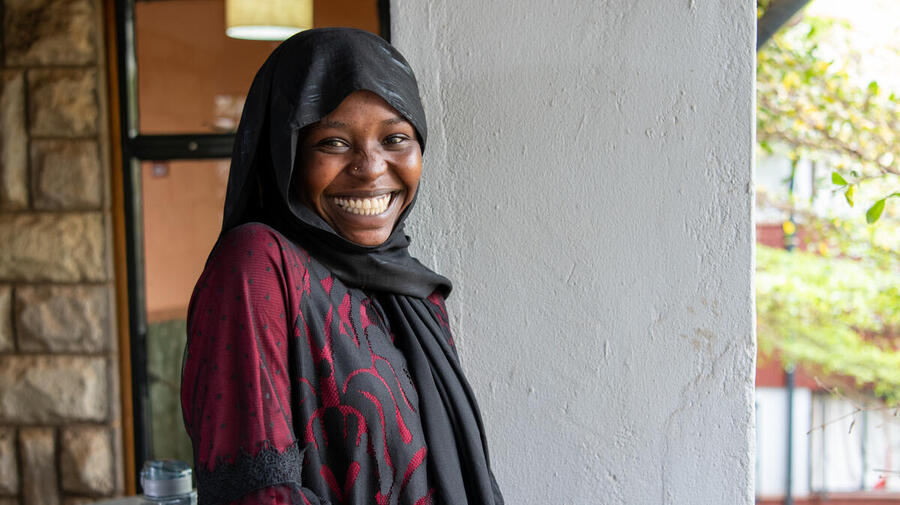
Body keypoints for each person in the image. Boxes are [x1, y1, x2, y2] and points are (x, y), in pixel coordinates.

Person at [181, 28, 505, 505]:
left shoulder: (414, 292)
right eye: (333, 143)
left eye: (395, 138)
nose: (371, 167)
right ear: (285, 153)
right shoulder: (258, 266)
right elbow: (259, 492)